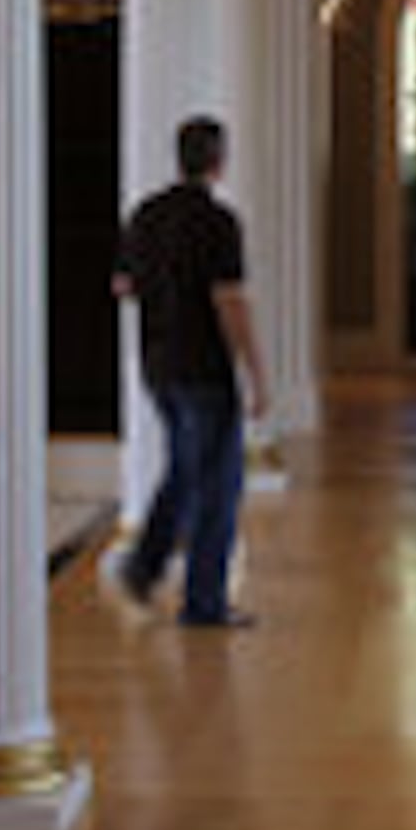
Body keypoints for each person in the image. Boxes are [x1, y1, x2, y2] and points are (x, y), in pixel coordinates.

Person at [109, 112, 268, 629]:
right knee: (218, 486)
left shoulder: (144, 216)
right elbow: (230, 302)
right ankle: (203, 603)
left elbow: (123, 286)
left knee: (183, 471)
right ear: (219, 161)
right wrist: (257, 373)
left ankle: (144, 567)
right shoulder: (219, 223)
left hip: (158, 363)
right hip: (204, 368)